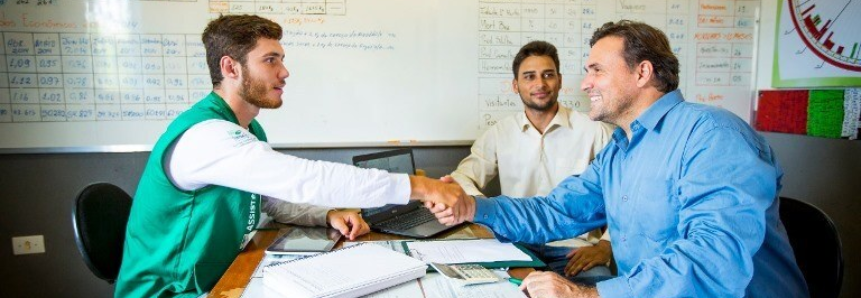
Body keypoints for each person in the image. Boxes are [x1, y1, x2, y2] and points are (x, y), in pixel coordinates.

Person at [430, 20, 809, 298]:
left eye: (597, 70)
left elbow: (713, 259)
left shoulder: (713, 135)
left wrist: (587, 295)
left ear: (642, 72)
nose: (584, 84)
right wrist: (472, 209)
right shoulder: (620, 149)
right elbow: (557, 212)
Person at [115, 14, 464, 298]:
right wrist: (423, 187)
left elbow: (269, 200)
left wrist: (327, 215)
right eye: (270, 60)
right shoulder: (206, 136)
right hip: (172, 292)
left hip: (219, 278)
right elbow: (301, 179)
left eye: (282, 59)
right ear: (231, 67)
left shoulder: (246, 131)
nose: (284, 72)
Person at [450, 40, 615, 280]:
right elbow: (461, 177)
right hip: (517, 244)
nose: (540, 84)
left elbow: (623, 195)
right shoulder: (500, 133)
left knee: (598, 289)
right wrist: (487, 212)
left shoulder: (594, 131)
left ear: (559, 80)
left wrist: (606, 245)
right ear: (516, 85)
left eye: (547, 75)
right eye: (529, 77)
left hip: (575, 250)